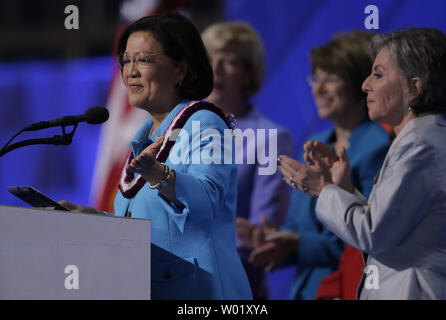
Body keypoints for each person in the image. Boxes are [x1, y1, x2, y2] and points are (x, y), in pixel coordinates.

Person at [60, 13, 252, 300]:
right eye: (126, 60)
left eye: (144, 59)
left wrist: (160, 176)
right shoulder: (146, 139)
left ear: (180, 70)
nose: (130, 71)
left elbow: (207, 201)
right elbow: (143, 230)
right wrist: (93, 219)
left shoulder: (206, 124)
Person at [279, 28, 446, 299]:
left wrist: (322, 189)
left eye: (378, 74)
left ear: (413, 88)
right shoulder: (417, 138)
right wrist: (342, 188)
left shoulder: (420, 143)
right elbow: (381, 222)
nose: (365, 85)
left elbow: (373, 234)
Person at [241, 31, 390, 300]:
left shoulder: (378, 147)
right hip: (308, 290)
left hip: (352, 289)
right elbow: (302, 227)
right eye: (315, 79)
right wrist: (274, 238)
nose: (318, 89)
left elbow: (366, 240)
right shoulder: (316, 143)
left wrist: (296, 245)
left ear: (360, 83)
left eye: (330, 79)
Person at [201, 21, 294, 299]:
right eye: (208, 59)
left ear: (249, 74)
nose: (215, 69)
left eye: (228, 61)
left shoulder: (269, 137)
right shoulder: (178, 130)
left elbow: (259, 233)